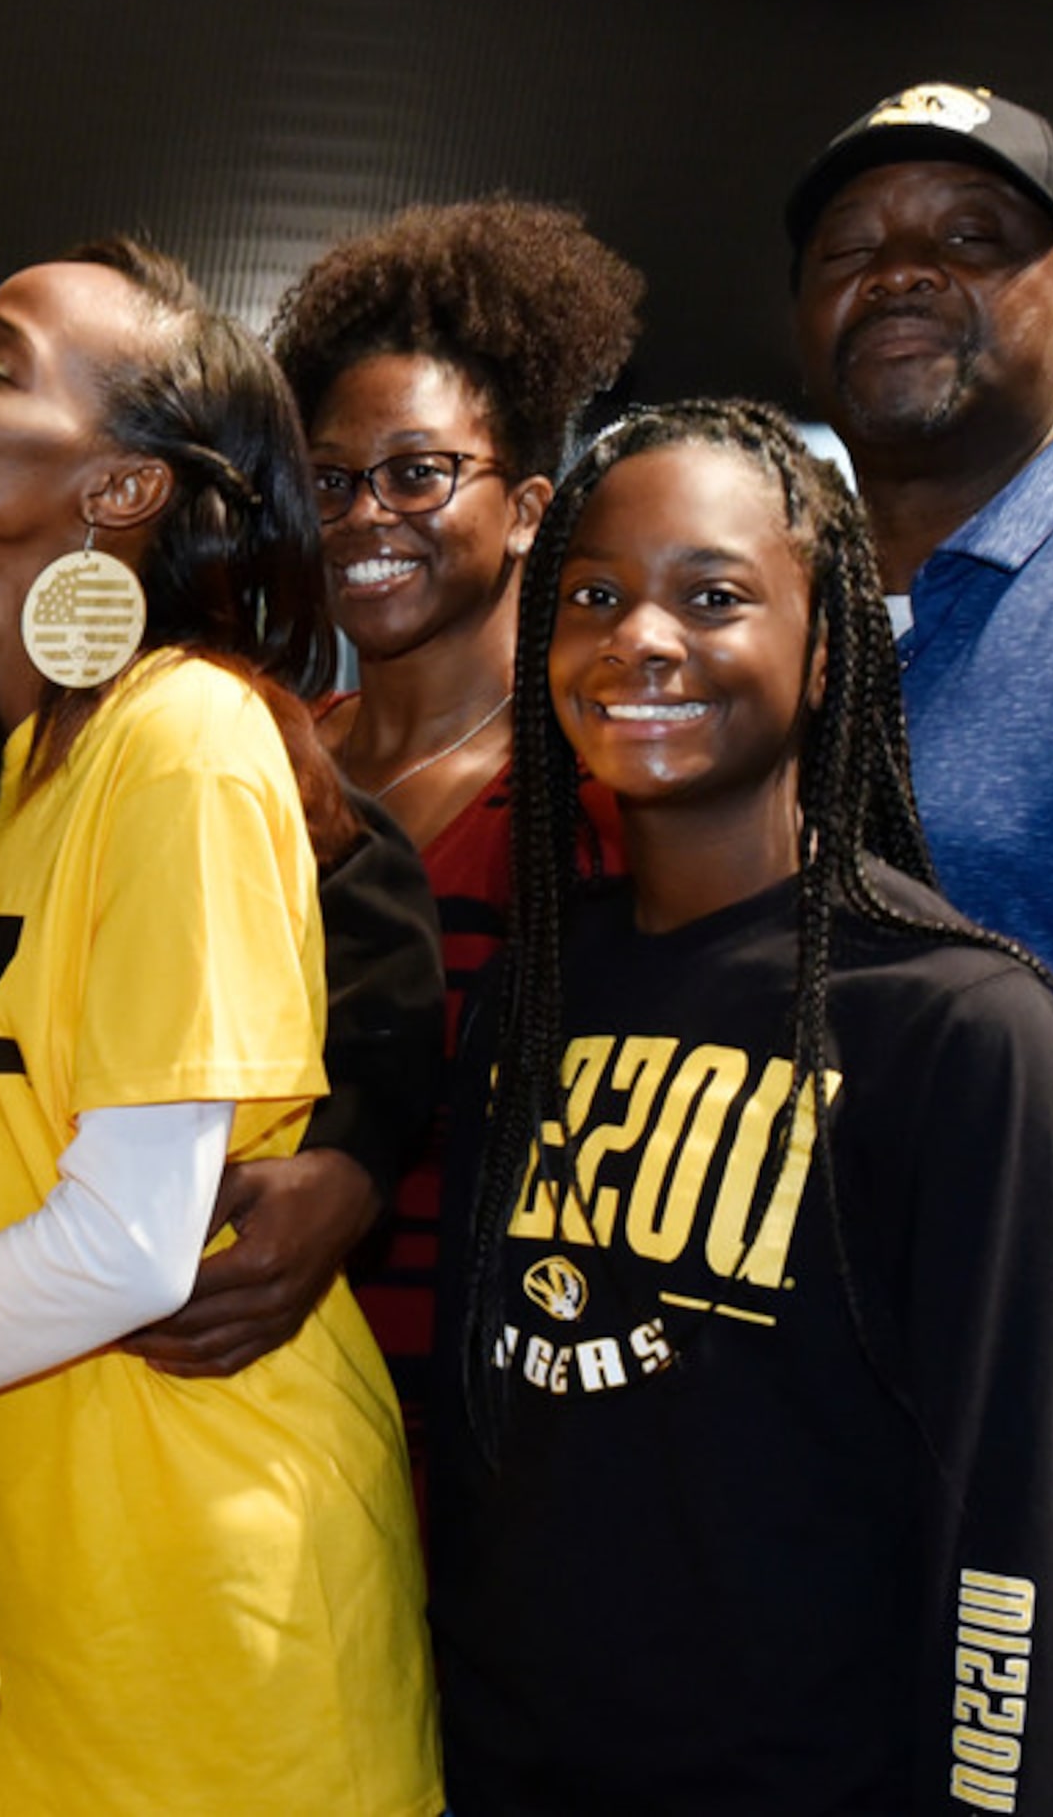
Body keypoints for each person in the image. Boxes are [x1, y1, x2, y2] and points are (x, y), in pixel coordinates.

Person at [434, 399, 1053, 1813]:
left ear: (826, 650)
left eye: (715, 594)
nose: (641, 637)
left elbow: (1020, 1533)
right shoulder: (532, 994)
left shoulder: (959, 1025)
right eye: (596, 595)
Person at [0, 239, 438, 1816]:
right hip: (41, 1577)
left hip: (203, 1587)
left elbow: (127, 1245)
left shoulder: (183, 737)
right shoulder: (36, 767)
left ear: (121, 490)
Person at [780, 80, 1053, 1795]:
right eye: (851, 250)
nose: (900, 270)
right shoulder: (762, 619)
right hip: (802, 1538)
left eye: (968, 237)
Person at [266, 197, 640, 1488]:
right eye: (329, 479)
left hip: (503, 1450)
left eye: (418, 472)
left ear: (530, 505)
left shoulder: (592, 801)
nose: (366, 513)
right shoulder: (263, 754)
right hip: (266, 1423)